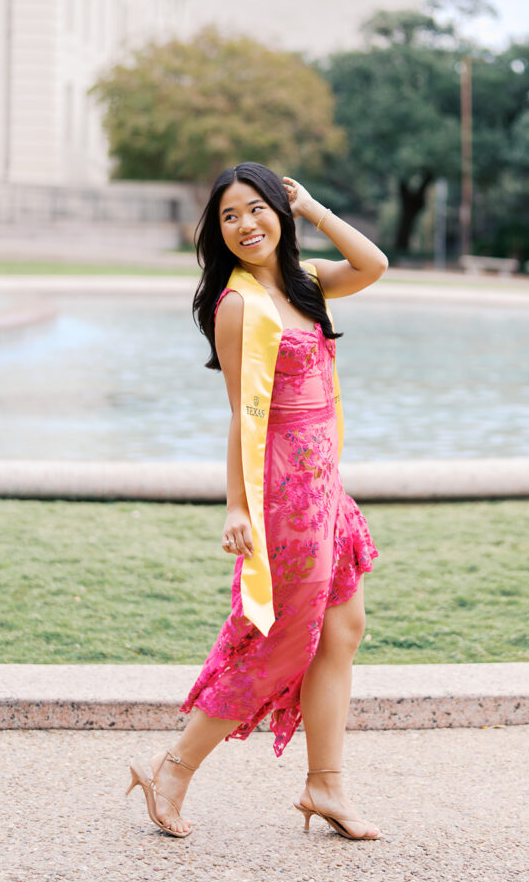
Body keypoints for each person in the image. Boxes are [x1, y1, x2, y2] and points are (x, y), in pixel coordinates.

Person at [126, 162, 387, 841]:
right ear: (218, 233)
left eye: (256, 209)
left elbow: (374, 262)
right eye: (228, 217)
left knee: (341, 631)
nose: (245, 225)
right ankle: (172, 767)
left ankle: (325, 786)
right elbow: (245, 416)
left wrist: (316, 207)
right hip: (285, 496)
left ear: (280, 210)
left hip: (326, 488)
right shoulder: (240, 305)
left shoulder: (310, 285)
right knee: (275, 646)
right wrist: (238, 508)